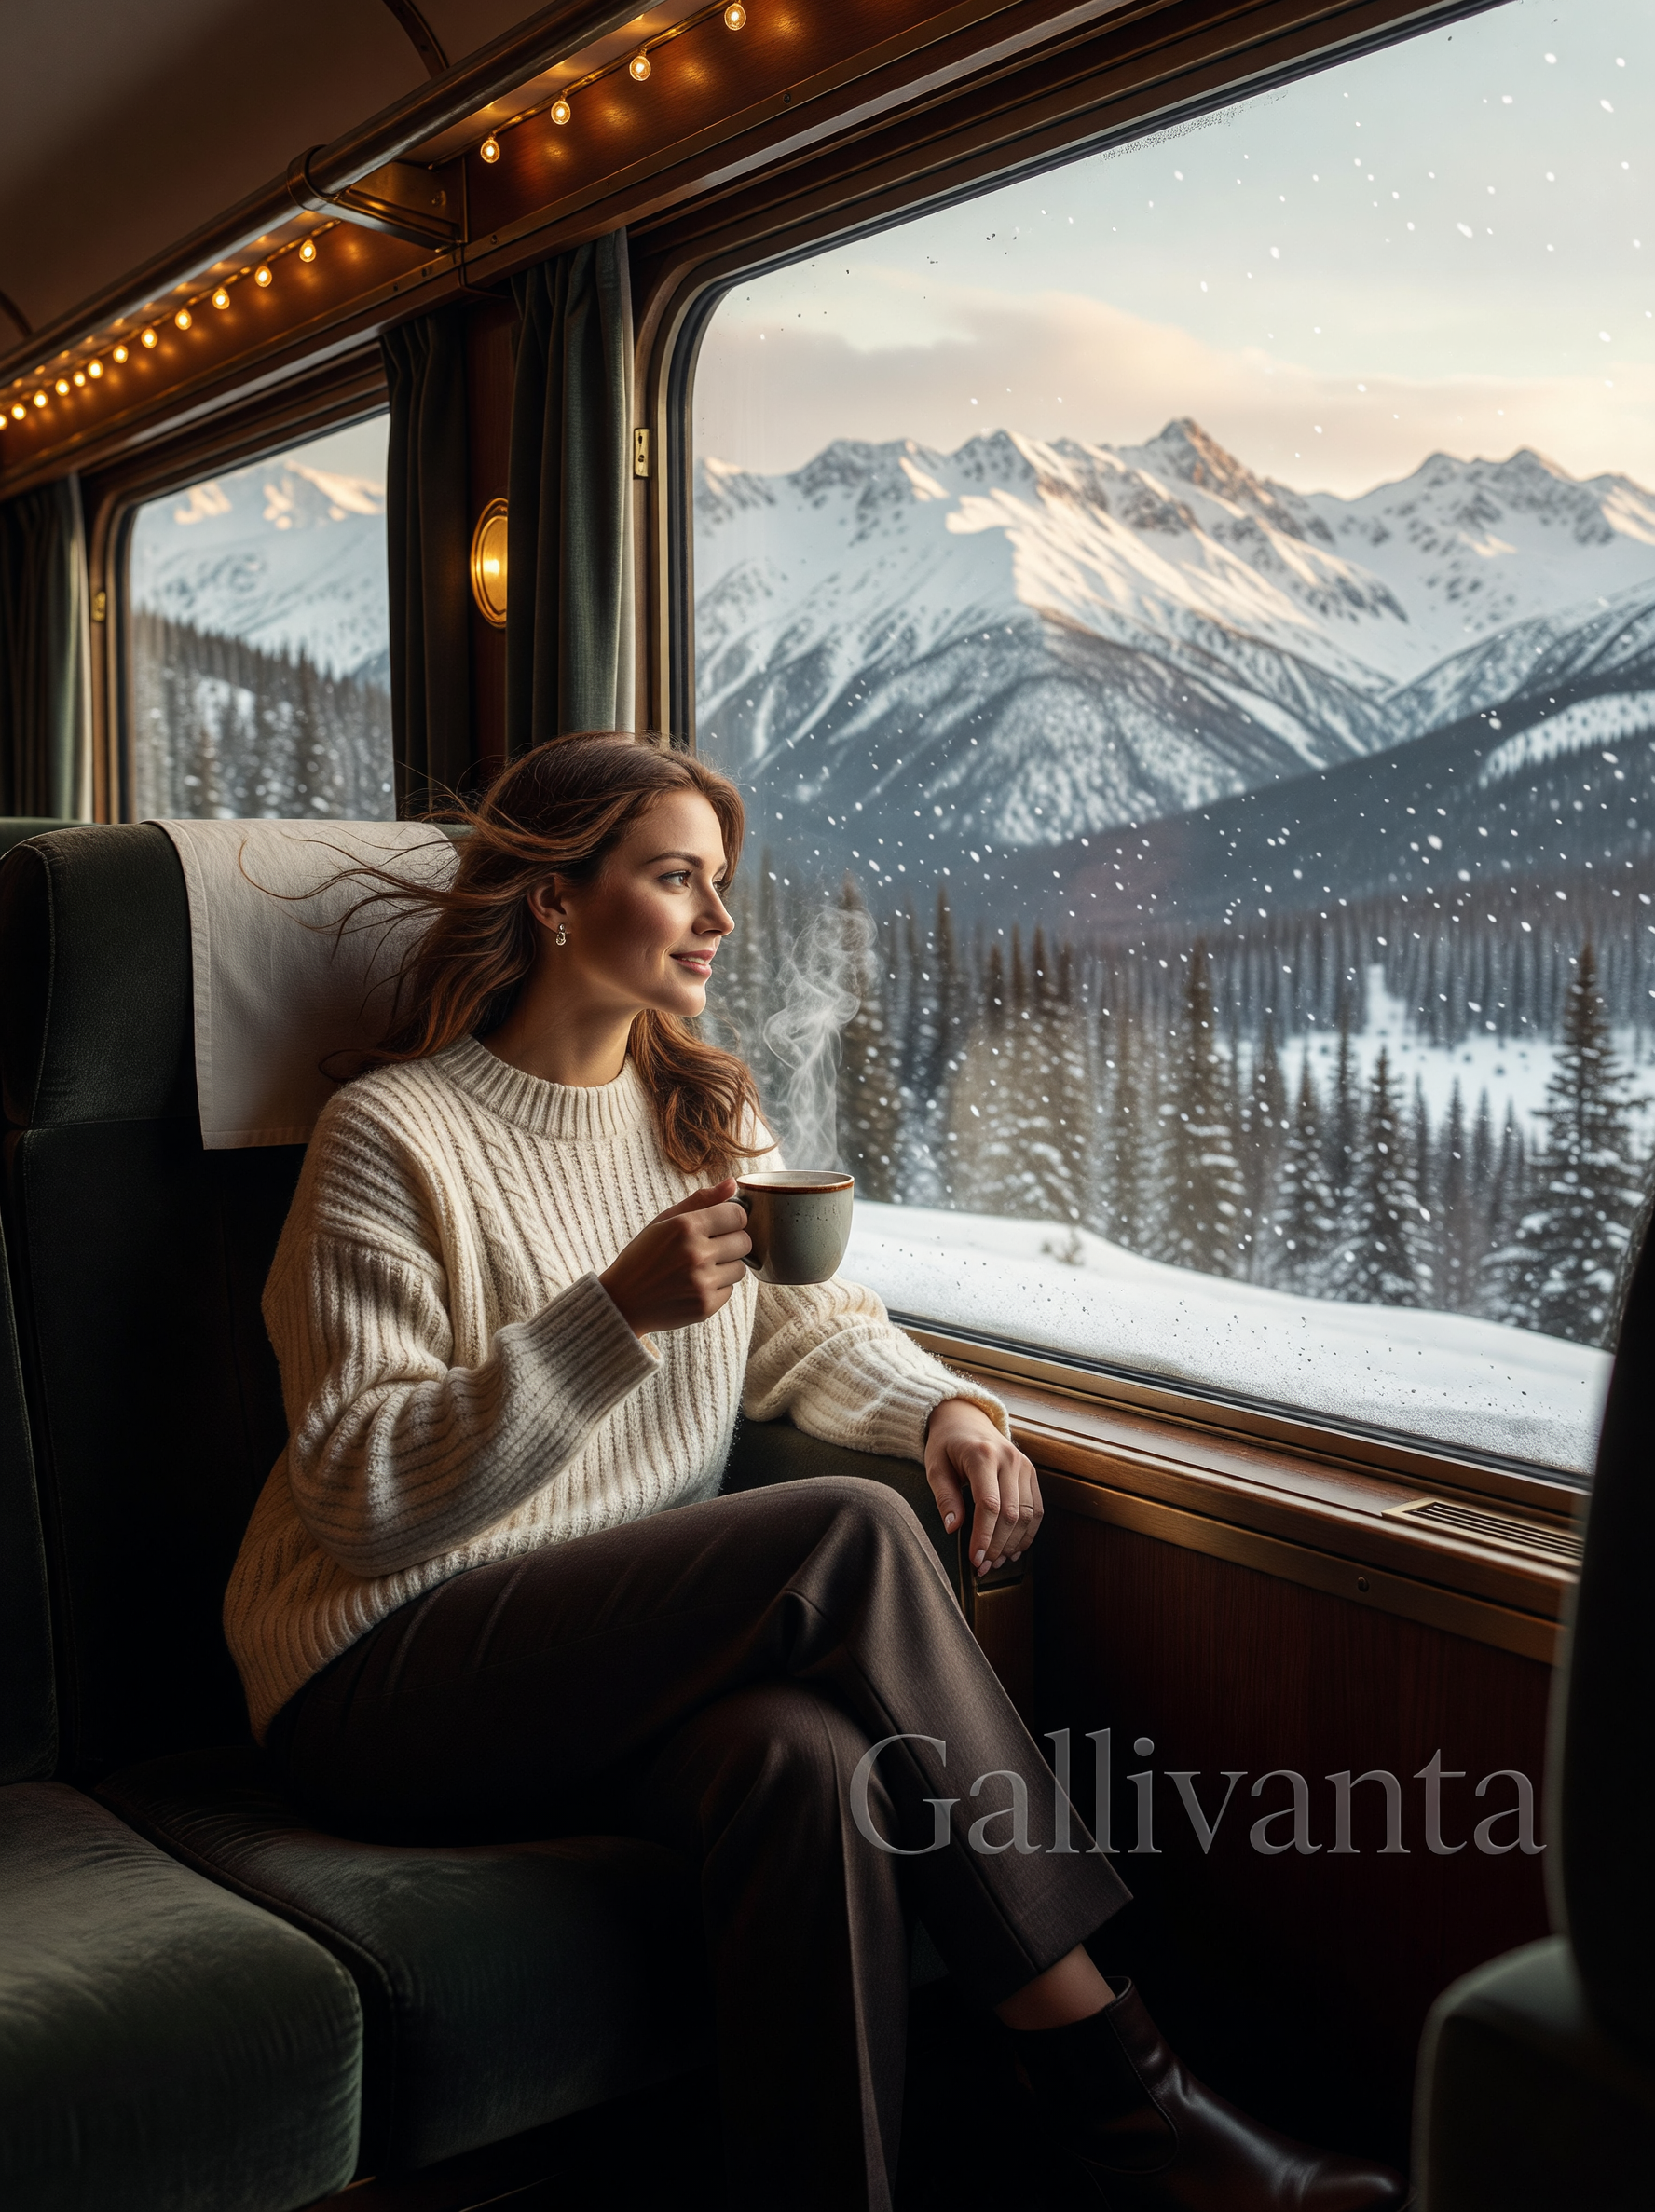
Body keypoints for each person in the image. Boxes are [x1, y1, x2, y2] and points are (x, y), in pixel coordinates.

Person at [224, 731, 1409, 2212]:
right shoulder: (391, 1137)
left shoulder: (700, 1120)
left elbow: (801, 1338)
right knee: (837, 1537)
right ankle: (1125, 2090)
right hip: (378, 1673)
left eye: (722, 884)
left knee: (811, 1766)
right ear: (554, 901)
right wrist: (612, 1321)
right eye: (676, 881)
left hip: (591, 1664)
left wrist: (942, 1410)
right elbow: (357, 1493)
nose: (721, 920)